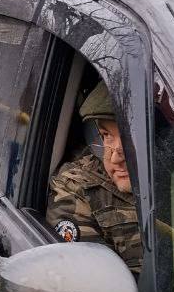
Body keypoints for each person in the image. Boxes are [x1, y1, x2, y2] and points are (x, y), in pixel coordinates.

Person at [45, 82, 143, 274]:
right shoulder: (77, 187)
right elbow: (96, 283)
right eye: (106, 135)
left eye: (130, 137)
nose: (114, 158)